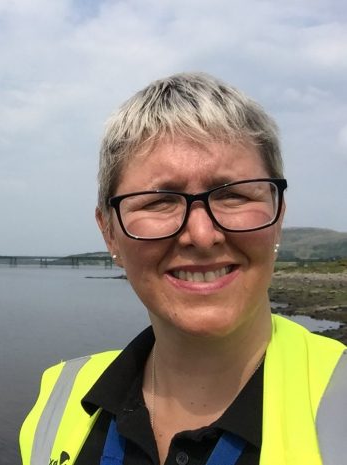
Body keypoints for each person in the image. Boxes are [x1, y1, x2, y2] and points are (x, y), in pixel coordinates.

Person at [19, 73, 346, 465]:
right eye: (159, 202)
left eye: (234, 195)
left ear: (278, 217)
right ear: (109, 233)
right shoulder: (59, 400)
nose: (202, 235)